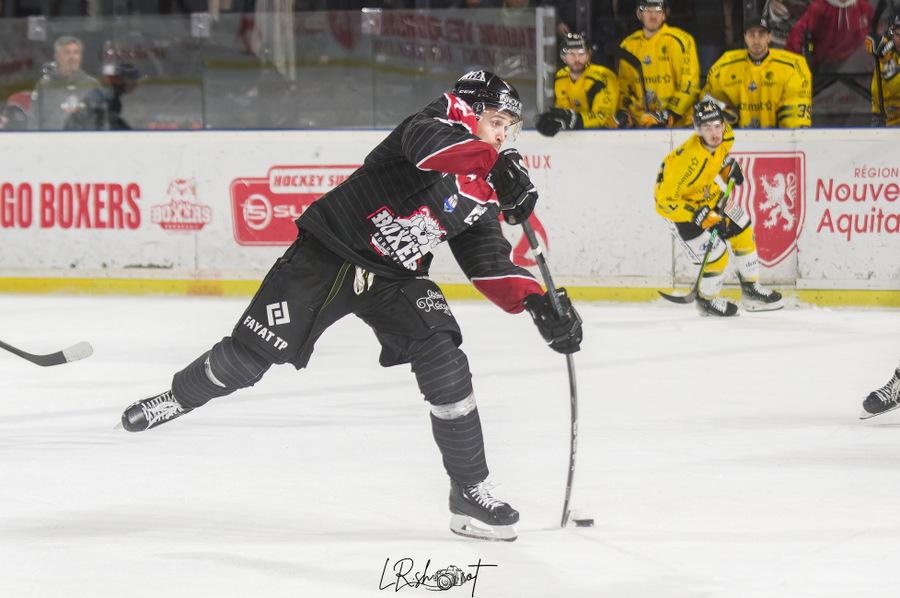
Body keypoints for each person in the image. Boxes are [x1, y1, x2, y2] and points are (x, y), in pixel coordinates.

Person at [119, 70, 583, 542]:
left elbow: (488, 264)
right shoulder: (432, 122)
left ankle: (469, 491)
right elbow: (430, 150)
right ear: (469, 110)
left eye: (508, 127)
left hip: (395, 277)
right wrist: (493, 162)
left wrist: (539, 304)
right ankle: (178, 397)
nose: (502, 134)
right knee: (245, 361)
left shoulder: (483, 188)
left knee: (445, 361)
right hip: (330, 253)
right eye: (495, 121)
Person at [653, 100, 784, 316]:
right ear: (698, 130)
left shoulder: (726, 135)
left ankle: (752, 290)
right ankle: (706, 300)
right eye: (707, 128)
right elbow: (663, 203)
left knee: (742, 227)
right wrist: (696, 215)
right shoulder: (686, 160)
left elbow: (719, 155)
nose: (714, 133)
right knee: (717, 254)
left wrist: (727, 168)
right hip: (681, 210)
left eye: (717, 126)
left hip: (709, 194)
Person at [701, 16, 813, 128]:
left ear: (769, 37)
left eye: (761, 34)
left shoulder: (793, 66)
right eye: (751, 34)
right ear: (745, 37)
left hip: (778, 136)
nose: (756, 40)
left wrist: (788, 132)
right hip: (737, 136)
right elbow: (707, 97)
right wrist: (726, 116)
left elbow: (796, 103)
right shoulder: (724, 65)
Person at [616, 0, 700, 128]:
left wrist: (666, 115)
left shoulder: (681, 40)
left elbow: (689, 86)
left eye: (658, 10)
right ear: (639, 14)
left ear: (665, 14)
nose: (653, 15)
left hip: (678, 126)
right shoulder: (628, 45)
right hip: (640, 126)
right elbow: (624, 88)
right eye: (648, 10)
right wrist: (623, 113)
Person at [536, 32, 619, 136]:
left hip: (606, 136)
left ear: (589, 54)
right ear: (563, 57)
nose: (576, 58)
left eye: (581, 53)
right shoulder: (560, 77)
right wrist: (555, 118)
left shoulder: (603, 77)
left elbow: (604, 116)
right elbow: (563, 111)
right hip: (574, 137)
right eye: (571, 53)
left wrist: (574, 120)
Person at [28, 36, 101, 130]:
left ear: (80, 56)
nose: (72, 58)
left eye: (76, 52)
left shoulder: (91, 85)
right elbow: (33, 121)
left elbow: (102, 120)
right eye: (67, 53)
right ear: (57, 57)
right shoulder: (44, 86)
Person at [785, 0, 874, 69]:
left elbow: (873, 22)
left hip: (848, 57)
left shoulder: (861, 5)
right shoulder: (820, 7)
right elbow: (799, 29)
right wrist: (791, 58)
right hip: (821, 58)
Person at [64, 63, 141, 130]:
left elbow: (113, 121)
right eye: (132, 79)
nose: (135, 83)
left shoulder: (111, 96)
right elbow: (98, 127)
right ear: (120, 80)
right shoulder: (105, 99)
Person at [871, 14, 900, 126]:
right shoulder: (886, 54)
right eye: (898, 34)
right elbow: (876, 92)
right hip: (884, 121)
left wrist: (887, 62)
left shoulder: (886, 58)